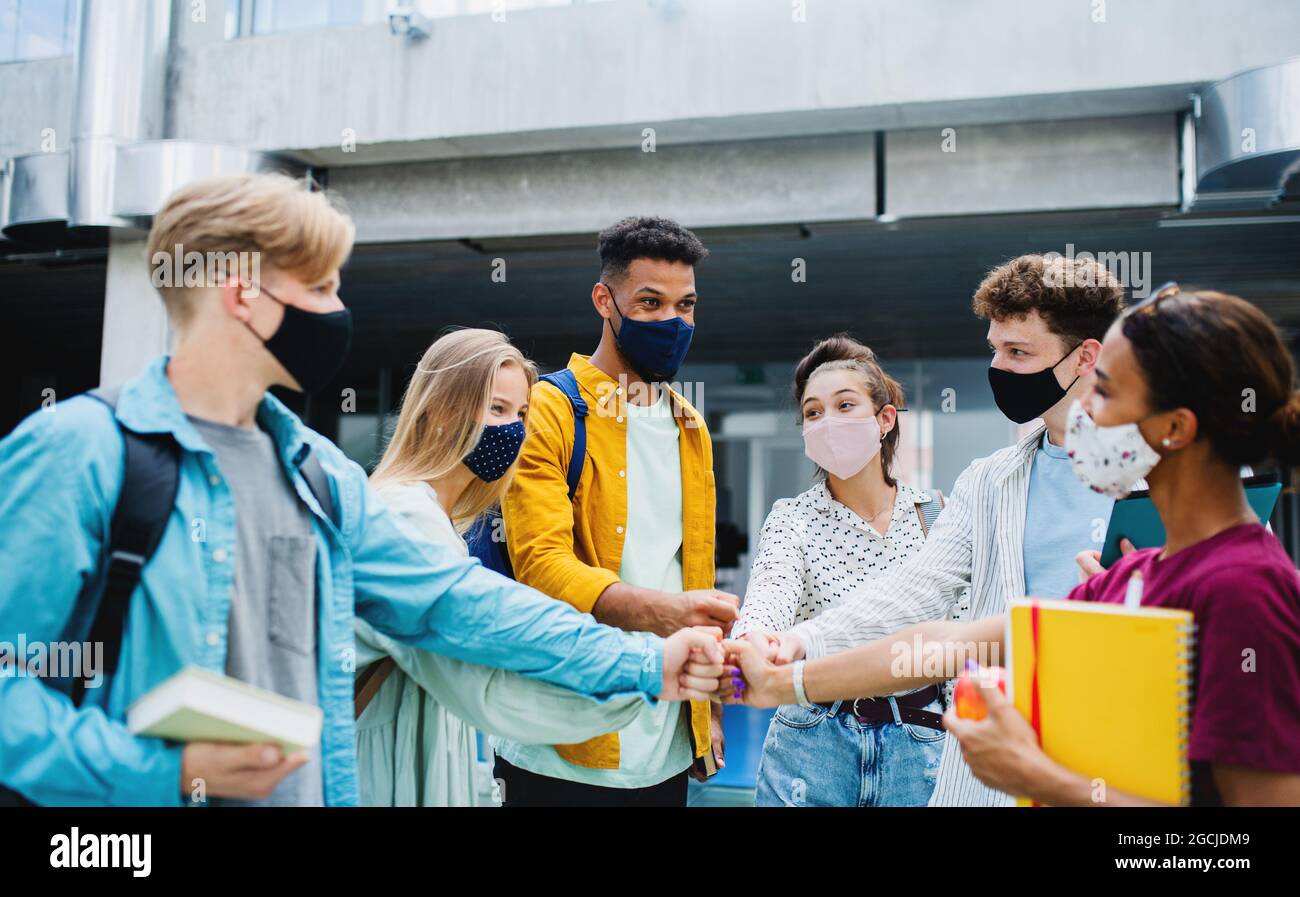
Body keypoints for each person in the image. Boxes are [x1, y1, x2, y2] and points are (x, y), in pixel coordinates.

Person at [0, 174, 724, 807]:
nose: (337, 308)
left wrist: (648, 661)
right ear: (240, 293)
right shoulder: (80, 452)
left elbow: (459, 602)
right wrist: (164, 770)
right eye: (319, 286)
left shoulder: (317, 474)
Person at [721, 287, 1300, 807]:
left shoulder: (1245, 587)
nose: (1088, 412)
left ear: (1176, 427)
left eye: (1107, 389)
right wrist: (781, 677)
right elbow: (944, 641)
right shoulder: (1130, 577)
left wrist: (1039, 778)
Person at [741, 253, 1128, 806]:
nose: (1000, 367)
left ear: (1085, 357)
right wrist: (798, 640)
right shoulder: (990, 481)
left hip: (1118, 738)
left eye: (1018, 352)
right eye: (995, 349)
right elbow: (917, 592)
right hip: (1008, 751)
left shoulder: (1161, 468)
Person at [356, 327, 678, 806]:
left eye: (522, 413)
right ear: (440, 412)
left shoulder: (441, 520)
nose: (512, 430)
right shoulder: (406, 516)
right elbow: (491, 648)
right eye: (496, 409)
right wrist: (648, 669)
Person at [495, 215, 738, 806]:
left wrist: (707, 716)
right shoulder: (550, 409)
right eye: (649, 302)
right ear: (606, 300)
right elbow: (542, 565)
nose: (671, 322)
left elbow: (691, 569)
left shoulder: (690, 425)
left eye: (686, 306)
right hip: (563, 735)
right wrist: (666, 614)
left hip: (667, 740)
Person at [735, 335, 947, 807]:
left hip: (921, 746)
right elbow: (770, 594)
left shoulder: (936, 517)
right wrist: (753, 641)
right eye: (813, 412)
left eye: (845, 405)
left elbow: (964, 638)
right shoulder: (792, 518)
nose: (827, 422)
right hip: (812, 742)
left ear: (884, 419)